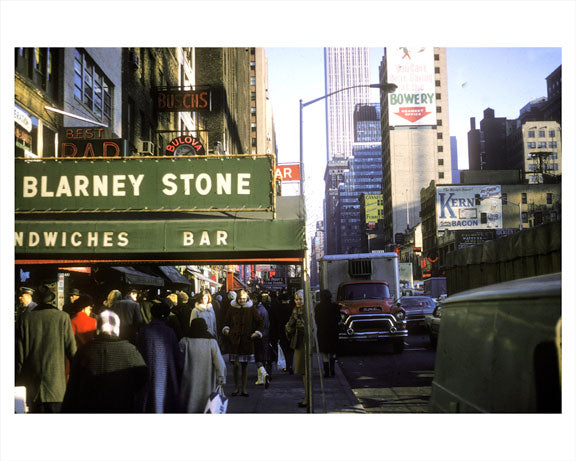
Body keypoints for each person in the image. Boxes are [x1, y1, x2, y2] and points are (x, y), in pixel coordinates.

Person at [62, 310, 148, 413]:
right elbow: (143, 377)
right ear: (117, 326)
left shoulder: (84, 351)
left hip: (89, 406)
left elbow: (73, 385)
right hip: (121, 405)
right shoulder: (130, 351)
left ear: (98, 326)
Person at [16, 286, 77, 413]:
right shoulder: (63, 318)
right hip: (56, 386)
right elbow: (72, 352)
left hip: (33, 386)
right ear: (51, 301)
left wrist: (18, 382)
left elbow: (19, 357)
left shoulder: (25, 319)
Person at [136, 299, 184, 413]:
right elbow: (178, 357)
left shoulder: (143, 332)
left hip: (146, 374)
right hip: (167, 375)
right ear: (166, 316)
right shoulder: (169, 332)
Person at [221, 289, 264, 396]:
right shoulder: (232, 308)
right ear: (237, 298)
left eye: (244, 298)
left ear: (247, 298)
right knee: (235, 365)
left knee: (245, 366)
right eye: (240, 298)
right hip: (234, 340)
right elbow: (226, 321)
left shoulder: (251, 308)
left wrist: (257, 333)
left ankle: (244, 389)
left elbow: (260, 321)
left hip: (246, 340)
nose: (242, 300)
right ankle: (236, 387)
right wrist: (226, 330)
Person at [179, 318, 226, 413]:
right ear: (205, 327)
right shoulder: (211, 342)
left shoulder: (185, 341)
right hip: (207, 380)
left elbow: (178, 360)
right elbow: (219, 362)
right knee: (206, 404)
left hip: (189, 380)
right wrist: (221, 378)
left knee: (190, 403)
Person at [285, 290, 308, 408]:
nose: (298, 301)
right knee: (302, 372)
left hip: (304, 342)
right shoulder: (296, 310)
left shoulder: (306, 310)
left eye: (300, 299)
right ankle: (307, 397)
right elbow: (289, 325)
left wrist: (292, 326)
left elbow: (304, 326)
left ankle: (307, 398)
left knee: (305, 372)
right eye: (296, 299)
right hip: (298, 342)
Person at [314, 289, 341, 377]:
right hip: (333, 331)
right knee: (333, 352)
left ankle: (326, 372)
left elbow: (316, 319)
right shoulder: (335, 306)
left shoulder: (318, 307)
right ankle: (332, 369)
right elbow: (339, 319)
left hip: (322, 332)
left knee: (324, 353)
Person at [252, 292, 272, 388]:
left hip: (259, 335)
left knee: (258, 357)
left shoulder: (258, 310)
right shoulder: (263, 309)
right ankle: (261, 378)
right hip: (265, 335)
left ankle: (264, 375)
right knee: (262, 357)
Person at [274, 290, 295, 374]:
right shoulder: (291, 308)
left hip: (281, 330)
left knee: (284, 349)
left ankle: (284, 366)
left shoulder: (277, 308)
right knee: (291, 349)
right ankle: (290, 365)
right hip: (290, 330)